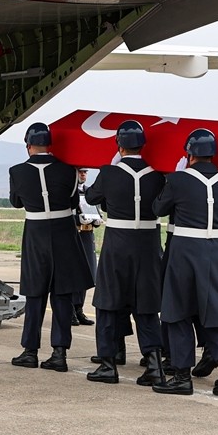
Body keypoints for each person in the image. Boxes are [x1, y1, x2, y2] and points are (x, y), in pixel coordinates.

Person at [150, 129, 218, 396]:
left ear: (189, 154)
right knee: (215, 316)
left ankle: (181, 376)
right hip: (216, 252)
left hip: (185, 251)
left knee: (178, 312)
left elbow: (158, 209)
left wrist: (172, 179)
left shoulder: (178, 180)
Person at [82, 121, 165, 385]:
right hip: (149, 245)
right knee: (146, 306)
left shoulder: (109, 173)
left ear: (119, 145)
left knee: (108, 303)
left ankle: (108, 364)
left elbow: (92, 197)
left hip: (117, 245)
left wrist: (110, 171)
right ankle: (154, 364)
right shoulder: (158, 175)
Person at [8, 123, 94, 372]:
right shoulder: (69, 171)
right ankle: (59, 353)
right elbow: (73, 201)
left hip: (36, 234)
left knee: (35, 294)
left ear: (28, 145)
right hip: (64, 233)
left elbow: (16, 202)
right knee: (62, 295)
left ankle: (30, 351)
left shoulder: (17, 171)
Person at [72, 167, 100, 327]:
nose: (83, 174)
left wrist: (97, 219)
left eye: (85, 172)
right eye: (80, 171)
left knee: (86, 273)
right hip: (74, 234)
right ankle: (70, 310)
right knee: (74, 273)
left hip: (87, 234)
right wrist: (77, 219)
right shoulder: (69, 191)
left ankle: (79, 309)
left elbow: (95, 208)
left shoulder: (89, 192)